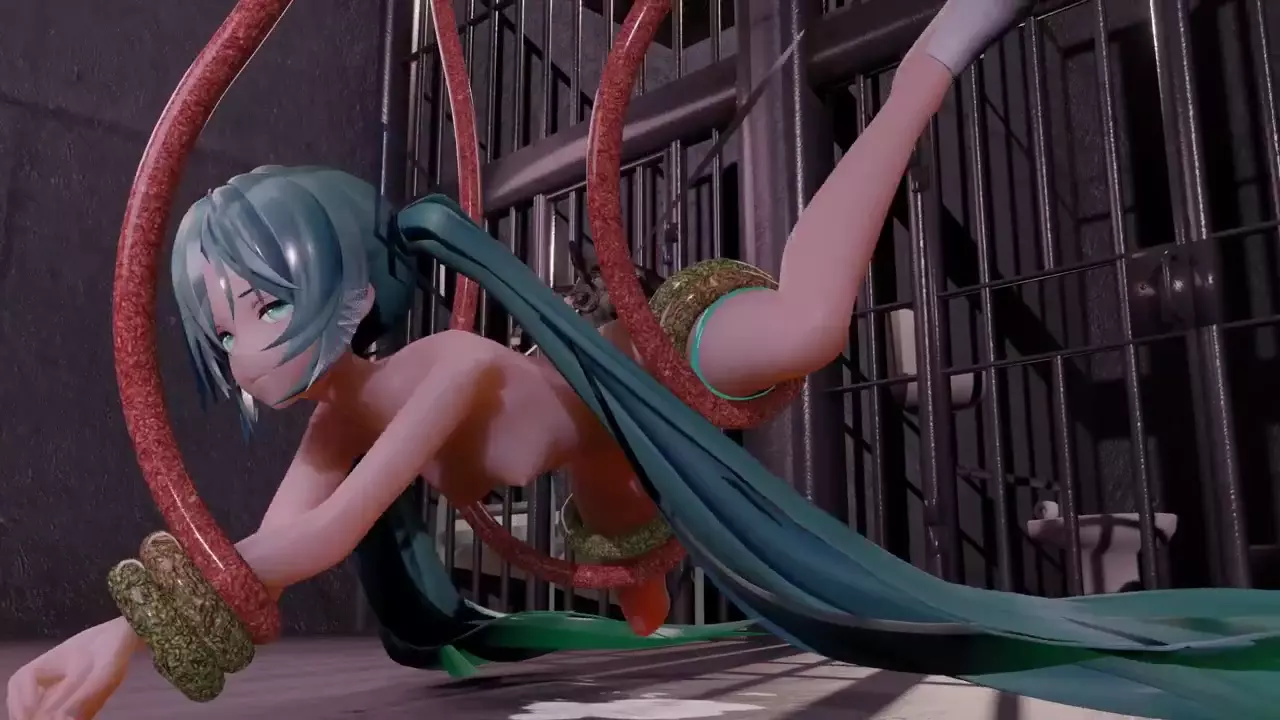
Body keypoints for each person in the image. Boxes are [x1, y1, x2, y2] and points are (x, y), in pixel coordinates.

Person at [21, 1, 1273, 718]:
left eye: (249, 308)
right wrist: (129, 638)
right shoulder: (341, 417)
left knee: (805, 327)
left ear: (347, 297)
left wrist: (121, 635)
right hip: (622, 499)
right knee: (641, 592)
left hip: (658, 363)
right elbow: (275, 544)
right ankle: (639, 590)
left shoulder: (443, 369)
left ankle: (930, 60)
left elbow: (322, 535)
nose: (232, 347)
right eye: (219, 325)